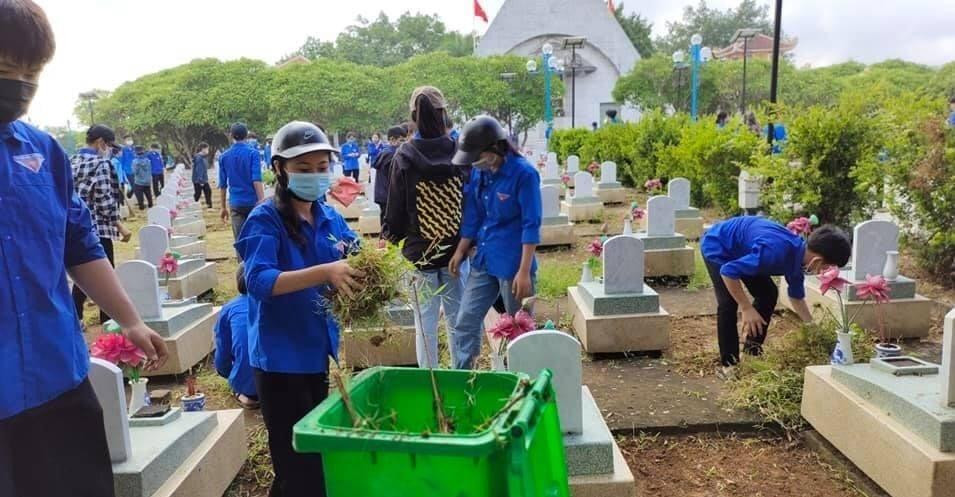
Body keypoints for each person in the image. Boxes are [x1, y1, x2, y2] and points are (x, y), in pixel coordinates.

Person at [0, 3, 168, 496]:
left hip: (58, 376)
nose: (21, 85)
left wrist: (131, 320)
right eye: (7, 70)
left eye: (33, 74)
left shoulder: (43, 151)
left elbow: (79, 244)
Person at [236, 121, 361, 497]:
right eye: (303, 170)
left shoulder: (328, 216)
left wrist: (372, 261)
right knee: (295, 462)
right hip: (279, 357)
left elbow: (353, 252)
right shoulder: (264, 219)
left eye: (322, 168)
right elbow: (258, 282)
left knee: (313, 450)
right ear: (280, 170)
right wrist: (324, 271)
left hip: (314, 348)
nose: (315, 177)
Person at [701, 217, 851, 377]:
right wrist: (746, 307)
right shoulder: (775, 252)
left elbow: (796, 298)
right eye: (826, 268)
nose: (823, 273)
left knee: (768, 294)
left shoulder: (798, 259)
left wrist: (811, 326)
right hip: (719, 246)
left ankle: (752, 353)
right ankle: (729, 365)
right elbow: (728, 271)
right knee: (728, 303)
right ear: (817, 260)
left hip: (746, 251)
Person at [449, 115, 542, 370]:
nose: (473, 164)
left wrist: (524, 272)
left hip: (513, 265)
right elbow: (474, 215)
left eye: (476, 157)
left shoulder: (524, 175)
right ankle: (461, 375)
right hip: (484, 260)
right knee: (465, 320)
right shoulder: (481, 173)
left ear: (493, 150)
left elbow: (531, 225)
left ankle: (521, 379)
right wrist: (460, 250)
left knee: (517, 328)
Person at [385, 86, 467, 368]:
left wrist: (390, 237)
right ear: (444, 114)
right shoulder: (460, 152)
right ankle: (462, 381)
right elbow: (471, 202)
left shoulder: (405, 155)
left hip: (419, 255)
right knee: (459, 323)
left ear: (413, 117)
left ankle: (431, 385)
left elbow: (395, 208)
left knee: (425, 326)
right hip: (457, 253)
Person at [71, 124, 133, 326]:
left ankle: (76, 317)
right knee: (105, 276)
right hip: (97, 227)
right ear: (100, 143)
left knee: (81, 273)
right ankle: (109, 322)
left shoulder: (71, 161)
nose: (110, 150)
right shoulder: (101, 165)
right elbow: (104, 200)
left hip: (74, 227)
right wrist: (120, 226)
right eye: (109, 146)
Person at [214, 263, 258, 409]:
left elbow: (222, 354)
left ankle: (246, 395)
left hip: (248, 384)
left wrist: (227, 372)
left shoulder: (230, 308)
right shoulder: (279, 304)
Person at [219, 122, 265, 241]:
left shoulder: (224, 156)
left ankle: (241, 260)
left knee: (240, 240)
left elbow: (223, 185)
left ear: (231, 136)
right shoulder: (253, 153)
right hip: (252, 202)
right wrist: (261, 200)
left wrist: (223, 207)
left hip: (235, 203)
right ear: (246, 135)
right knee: (256, 237)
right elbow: (256, 179)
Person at [371, 124, 406, 229]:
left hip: (383, 194)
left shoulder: (385, 152)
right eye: (401, 141)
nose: (403, 144)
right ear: (392, 139)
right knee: (390, 225)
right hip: (389, 195)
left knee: (385, 222)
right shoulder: (392, 155)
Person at [131, 145, 153, 210]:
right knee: (149, 195)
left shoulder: (135, 162)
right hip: (147, 181)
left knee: (140, 197)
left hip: (139, 182)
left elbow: (135, 172)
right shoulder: (148, 161)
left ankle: (142, 207)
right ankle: (151, 206)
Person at [192, 142, 212, 208]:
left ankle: (209, 205)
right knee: (198, 194)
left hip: (203, 179)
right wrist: (201, 181)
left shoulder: (202, 157)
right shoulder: (199, 158)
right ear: (203, 149)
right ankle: (193, 202)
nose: (208, 151)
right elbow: (199, 169)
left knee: (208, 192)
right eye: (207, 149)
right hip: (199, 180)